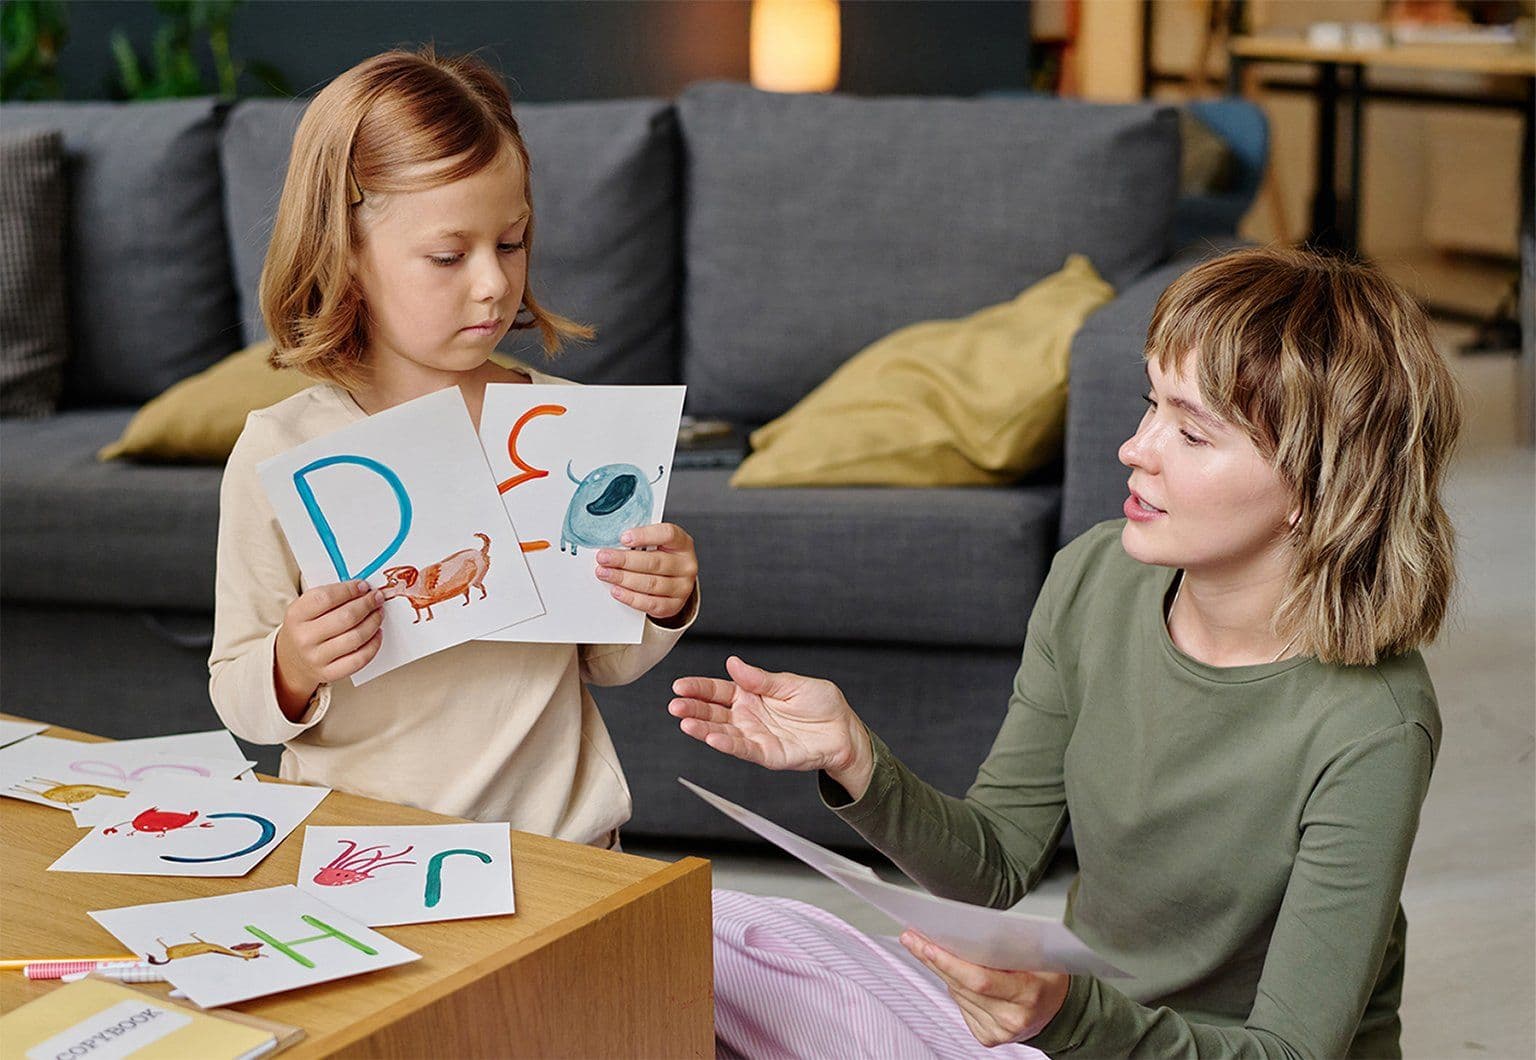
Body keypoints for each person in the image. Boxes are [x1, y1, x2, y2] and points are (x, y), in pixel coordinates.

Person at [670, 245, 1460, 1057]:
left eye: (1190, 432)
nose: (1136, 447)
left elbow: (1293, 1049)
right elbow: (996, 863)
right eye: (1151, 404)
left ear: (1321, 486)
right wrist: (855, 758)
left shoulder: (1375, 726)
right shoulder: (1095, 574)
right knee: (722, 942)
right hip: (1074, 1037)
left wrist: (1066, 1019)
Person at [209, 48, 699, 848]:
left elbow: (607, 660)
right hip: (358, 848)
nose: (493, 284)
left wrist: (663, 598)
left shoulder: (564, 425)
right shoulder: (285, 448)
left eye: (510, 244)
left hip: (562, 844)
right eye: (448, 255)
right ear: (348, 254)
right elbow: (238, 692)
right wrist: (295, 664)